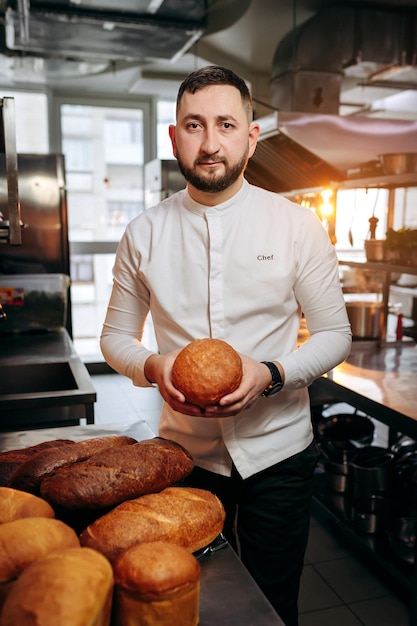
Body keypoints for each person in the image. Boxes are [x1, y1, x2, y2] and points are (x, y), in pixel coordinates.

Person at [100, 65, 352, 626]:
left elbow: (336, 335)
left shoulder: (296, 226)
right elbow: (115, 338)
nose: (210, 143)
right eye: (194, 125)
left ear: (250, 135)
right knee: (188, 602)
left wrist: (270, 373)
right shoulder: (144, 233)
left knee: (272, 604)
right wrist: (154, 364)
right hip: (184, 457)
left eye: (225, 124)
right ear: (173, 137)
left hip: (279, 454)